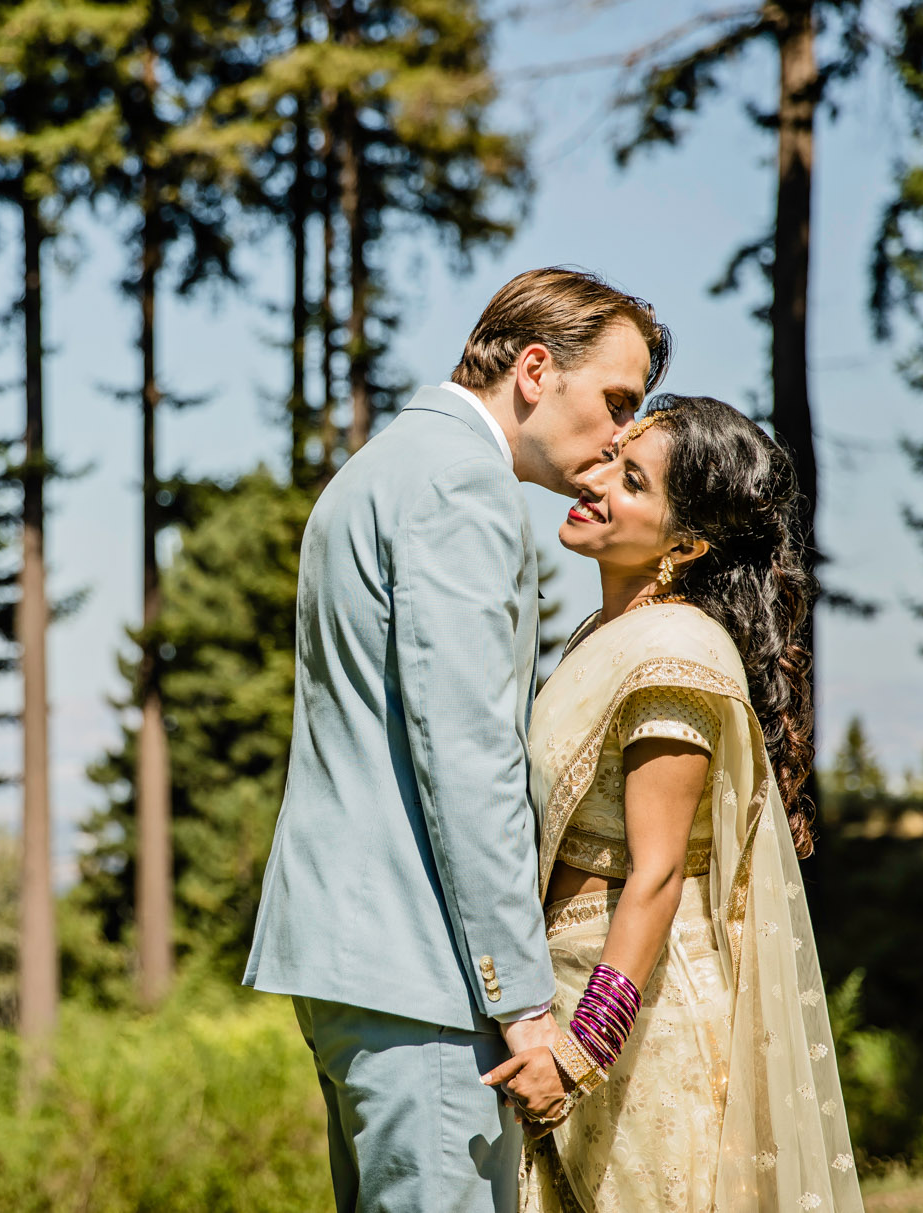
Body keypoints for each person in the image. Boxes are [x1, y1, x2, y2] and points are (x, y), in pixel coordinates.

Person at [244, 267, 668, 1212]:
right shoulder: (462, 490)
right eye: (614, 402)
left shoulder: (381, 467)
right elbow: (466, 757)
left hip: (355, 960)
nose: (621, 436)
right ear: (532, 368)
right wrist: (522, 1001)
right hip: (425, 975)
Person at [483, 395, 863, 1213]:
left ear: (684, 543)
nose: (593, 483)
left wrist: (583, 1049)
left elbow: (655, 876)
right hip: (565, 982)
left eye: (630, 480)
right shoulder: (606, 632)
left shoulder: (672, 652)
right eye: (608, 460)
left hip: (638, 1027)